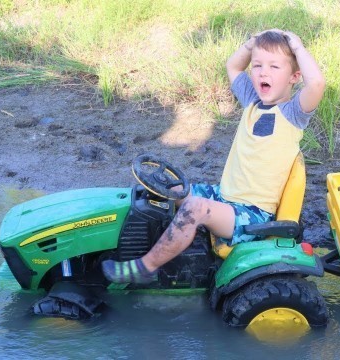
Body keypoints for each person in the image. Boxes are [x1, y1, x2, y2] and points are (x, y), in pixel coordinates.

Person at [102, 29, 325, 284]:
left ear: (294, 76)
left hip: (252, 214)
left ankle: (146, 267)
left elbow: (316, 84)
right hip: (225, 196)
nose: (264, 72)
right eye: (258, 65)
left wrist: (296, 46)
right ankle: (159, 250)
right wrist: (252, 42)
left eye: (275, 67)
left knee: (194, 208)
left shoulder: (293, 113)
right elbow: (233, 66)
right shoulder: (253, 101)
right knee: (171, 190)